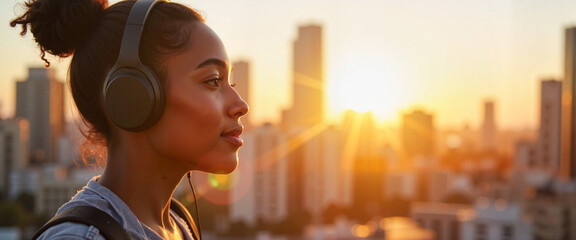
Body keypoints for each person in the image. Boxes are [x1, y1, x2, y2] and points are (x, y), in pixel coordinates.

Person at [10, 0, 249, 239]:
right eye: (213, 81)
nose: (241, 105)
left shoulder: (179, 224)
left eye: (232, 83)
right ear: (133, 95)